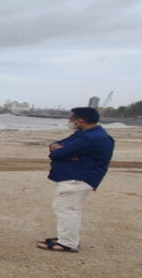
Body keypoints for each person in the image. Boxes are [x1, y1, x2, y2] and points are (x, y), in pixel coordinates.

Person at [37, 107, 114, 253]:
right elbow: (57, 145)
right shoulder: (86, 134)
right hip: (77, 177)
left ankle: (67, 242)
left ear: (81, 120)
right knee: (72, 209)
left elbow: (58, 153)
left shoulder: (90, 138)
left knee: (65, 209)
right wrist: (62, 150)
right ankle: (67, 238)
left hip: (77, 179)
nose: (69, 121)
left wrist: (61, 151)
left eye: (71, 118)